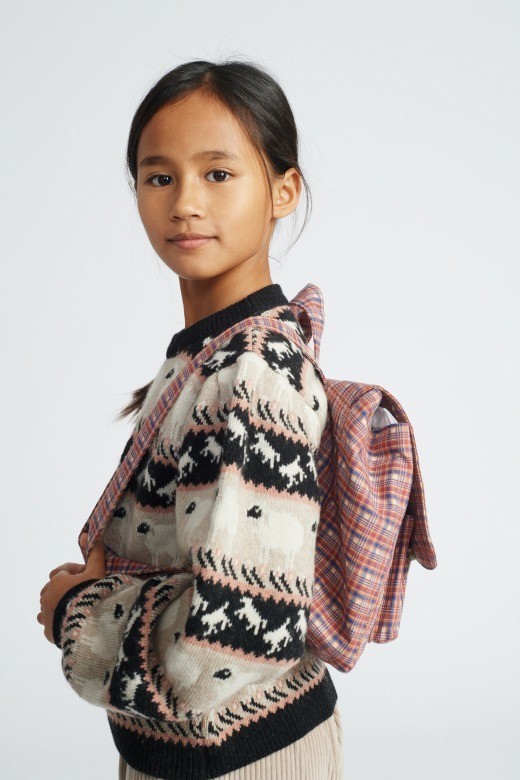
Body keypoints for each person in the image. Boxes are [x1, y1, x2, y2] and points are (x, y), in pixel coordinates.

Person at [37, 59, 344, 780]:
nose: (184, 204)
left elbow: (239, 636)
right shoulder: (209, 355)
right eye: (159, 177)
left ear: (284, 190)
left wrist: (78, 613)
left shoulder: (252, 370)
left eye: (218, 174)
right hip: (191, 749)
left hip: (242, 758)